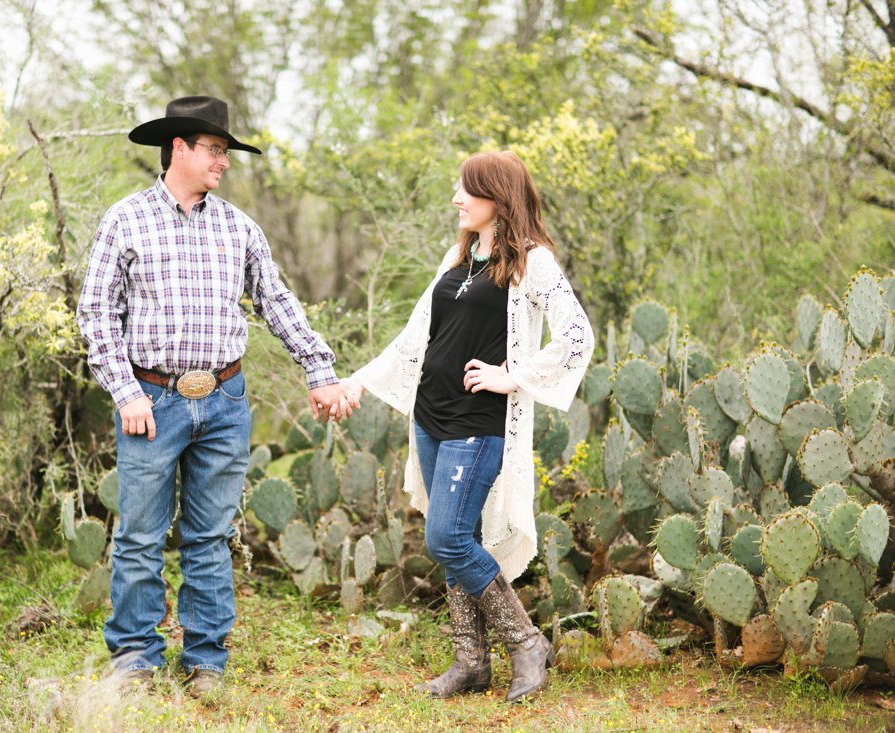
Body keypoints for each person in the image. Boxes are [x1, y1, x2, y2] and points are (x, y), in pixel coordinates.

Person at [77, 95, 351, 698]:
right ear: (179, 148)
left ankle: (205, 661)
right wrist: (125, 393)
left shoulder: (238, 227)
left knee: (210, 536)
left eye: (225, 151)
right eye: (214, 150)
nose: (223, 162)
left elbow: (277, 303)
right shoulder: (126, 219)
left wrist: (319, 369)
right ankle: (136, 661)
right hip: (151, 399)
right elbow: (96, 313)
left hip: (224, 399)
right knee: (141, 537)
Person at [340, 150, 593, 702]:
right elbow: (413, 340)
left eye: (466, 191)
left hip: (478, 423)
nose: (456, 199)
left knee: (447, 537)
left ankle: (526, 643)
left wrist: (514, 375)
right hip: (431, 418)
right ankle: (470, 663)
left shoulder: (533, 263)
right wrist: (357, 381)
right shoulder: (457, 260)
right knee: (460, 536)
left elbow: (577, 336)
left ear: (497, 199)